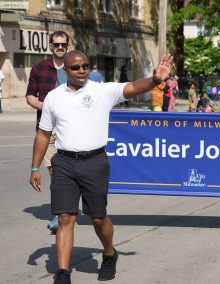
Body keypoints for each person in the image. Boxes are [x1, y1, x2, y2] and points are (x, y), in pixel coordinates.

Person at [29, 50, 174, 283]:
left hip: (94, 162)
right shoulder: (54, 98)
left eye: (85, 66)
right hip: (64, 162)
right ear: (65, 71)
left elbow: (134, 87)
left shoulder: (102, 91)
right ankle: (63, 273)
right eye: (75, 67)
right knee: (66, 218)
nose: (81, 70)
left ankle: (109, 253)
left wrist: (155, 80)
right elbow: (43, 134)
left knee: (97, 218)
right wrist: (35, 168)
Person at [25, 30, 70, 233]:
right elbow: (29, 97)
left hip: (71, 129)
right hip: (48, 130)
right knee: (56, 174)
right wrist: (46, 106)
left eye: (64, 44)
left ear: (67, 46)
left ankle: (66, 211)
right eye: (57, 44)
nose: (60, 47)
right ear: (50, 46)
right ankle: (60, 215)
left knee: (67, 174)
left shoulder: (74, 66)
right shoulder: (39, 68)